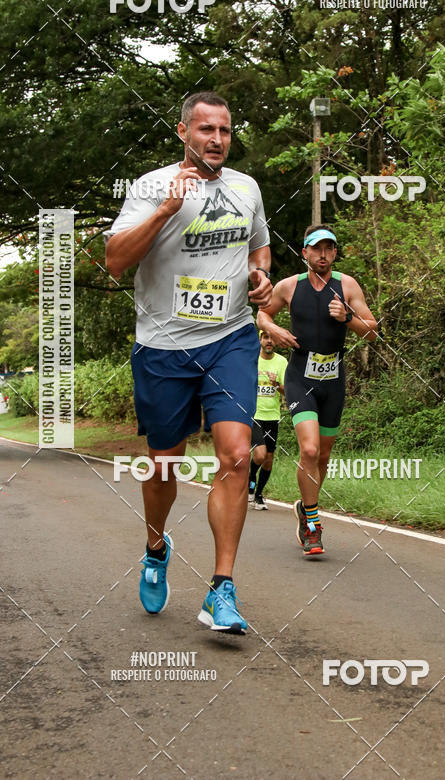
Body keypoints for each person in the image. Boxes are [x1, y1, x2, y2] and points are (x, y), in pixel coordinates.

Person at [105, 91, 272, 634]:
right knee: (163, 466)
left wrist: (259, 275)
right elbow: (114, 262)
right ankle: (156, 546)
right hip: (163, 347)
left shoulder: (246, 187)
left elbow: (258, 246)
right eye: (206, 130)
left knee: (237, 454)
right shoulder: (151, 187)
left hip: (231, 339)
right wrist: (166, 211)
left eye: (224, 130)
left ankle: (222, 589)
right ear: (183, 132)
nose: (217, 140)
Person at [257, 224, 377, 556]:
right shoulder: (288, 287)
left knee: (322, 456)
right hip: (300, 376)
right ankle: (312, 524)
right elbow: (262, 313)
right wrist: (274, 329)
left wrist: (348, 317)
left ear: (334, 253)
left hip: (333, 380)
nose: (322, 255)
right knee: (309, 451)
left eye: (329, 249)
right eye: (316, 249)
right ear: (304, 253)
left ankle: (305, 507)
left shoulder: (346, 285)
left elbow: (371, 331)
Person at [248, 329, 288, 510]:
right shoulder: (251, 358)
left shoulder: (282, 362)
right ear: (260, 340)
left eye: (272, 338)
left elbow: (287, 390)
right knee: (260, 454)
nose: (269, 341)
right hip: (254, 414)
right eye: (266, 338)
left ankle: (258, 495)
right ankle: (250, 478)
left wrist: (276, 384)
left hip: (273, 416)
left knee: (269, 459)